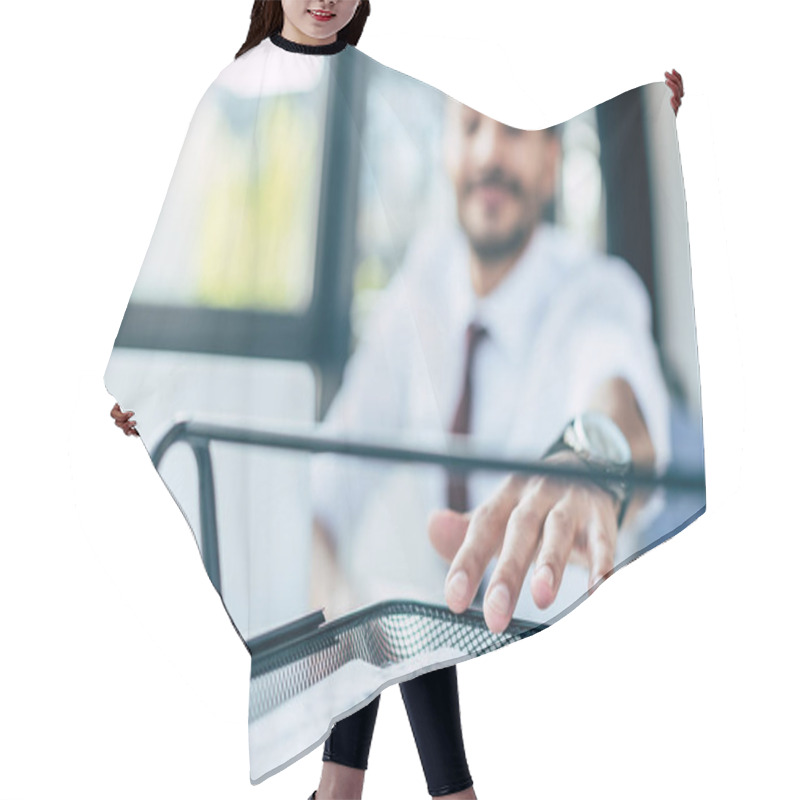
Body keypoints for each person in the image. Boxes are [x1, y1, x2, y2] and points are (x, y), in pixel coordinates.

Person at [110, 4, 686, 799]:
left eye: (515, 136)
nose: (491, 155)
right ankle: (408, 789)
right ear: (446, 145)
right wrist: (341, 621)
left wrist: (593, 453)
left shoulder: (590, 290)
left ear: (554, 165)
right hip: (437, 589)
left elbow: (616, 389)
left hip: (526, 585)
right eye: (471, 130)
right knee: (389, 609)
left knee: (398, 611)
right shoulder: (422, 285)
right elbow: (326, 489)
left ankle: (355, 789)